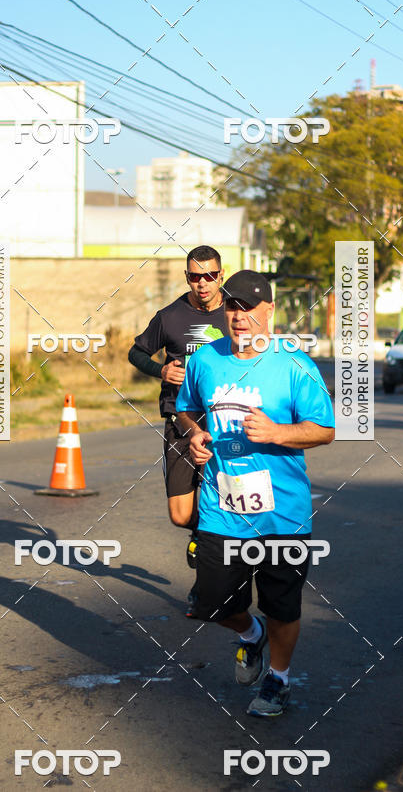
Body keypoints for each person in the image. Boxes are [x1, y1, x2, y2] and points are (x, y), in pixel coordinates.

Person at [176, 270, 334, 717]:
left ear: (270, 311)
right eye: (231, 306)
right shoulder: (205, 360)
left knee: (283, 606)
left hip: (282, 513)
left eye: (248, 307)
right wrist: (195, 434)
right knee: (209, 603)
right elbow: (186, 412)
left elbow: (324, 431)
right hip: (222, 507)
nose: (238, 316)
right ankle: (251, 635)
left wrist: (278, 432)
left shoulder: (294, 363)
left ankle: (278, 680)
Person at [128, 245, 227, 566]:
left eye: (210, 276)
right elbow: (136, 353)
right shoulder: (169, 317)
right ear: (187, 278)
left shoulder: (235, 314)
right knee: (180, 514)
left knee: (230, 500)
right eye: (196, 277)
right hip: (181, 419)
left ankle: (219, 556)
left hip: (225, 421)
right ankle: (202, 533)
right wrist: (162, 370)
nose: (203, 283)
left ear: (220, 275)